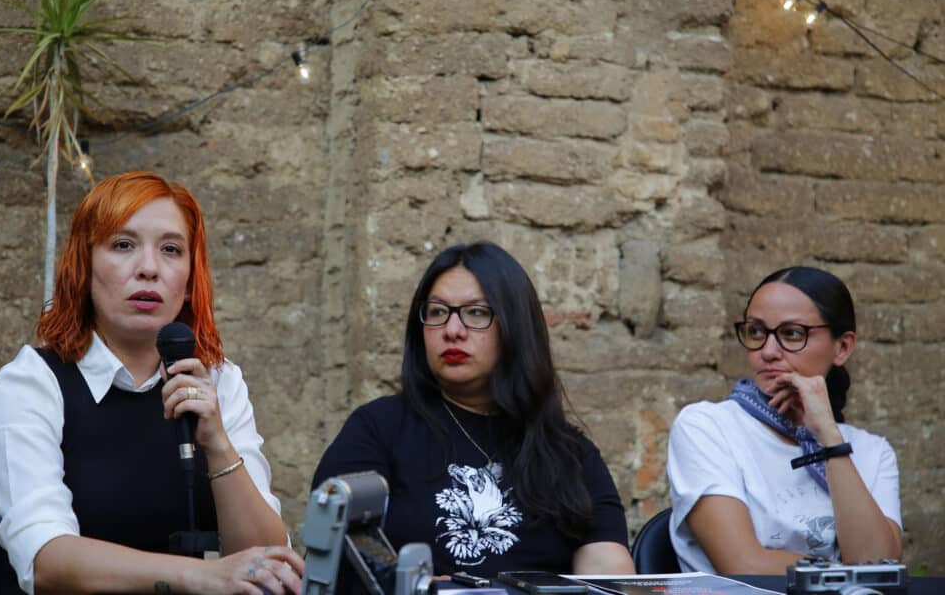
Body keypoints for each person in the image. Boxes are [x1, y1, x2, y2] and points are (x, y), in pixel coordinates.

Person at [0, 172, 303, 594]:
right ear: (85, 264)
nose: (149, 269)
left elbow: (266, 561)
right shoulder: (32, 383)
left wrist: (219, 443)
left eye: (171, 250)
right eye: (123, 245)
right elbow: (46, 559)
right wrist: (202, 577)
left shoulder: (219, 381)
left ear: (189, 281)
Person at [312, 241, 635, 583]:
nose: (452, 330)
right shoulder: (378, 429)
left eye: (476, 313)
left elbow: (610, 581)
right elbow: (338, 561)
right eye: (437, 312)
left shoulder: (569, 454)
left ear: (515, 327)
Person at [667, 266, 902, 574]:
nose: (767, 351)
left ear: (842, 347)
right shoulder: (707, 428)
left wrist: (829, 438)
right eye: (757, 332)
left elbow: (877, 567)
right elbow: (744, 565)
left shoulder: (872, 452)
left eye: (792, 334)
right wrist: (844, 573)